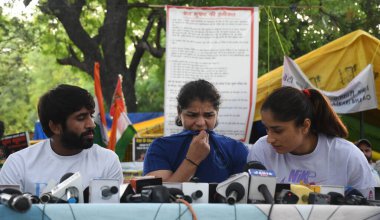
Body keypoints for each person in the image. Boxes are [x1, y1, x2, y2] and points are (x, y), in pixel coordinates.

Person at [247, 86, 376, 198]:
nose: (270, 139)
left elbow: (368, 209)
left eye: (278, 130)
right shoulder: (261, 150)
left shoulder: (348, 156)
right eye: (267, 129)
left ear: (305, 126)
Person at [0, 84, 123, 196]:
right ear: (55, 127)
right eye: (81, 118)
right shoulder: (18, 164)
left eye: (91, 116)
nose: (91, 124)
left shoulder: (107, 161)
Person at [143, 79, 248, 183]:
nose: (201, 123)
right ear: (179, 112)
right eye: (192, 115)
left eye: (208, 115)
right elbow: (159, 195)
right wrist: (192, 160)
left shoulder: (236, 149)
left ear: (217, 113)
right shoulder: (160, 147)